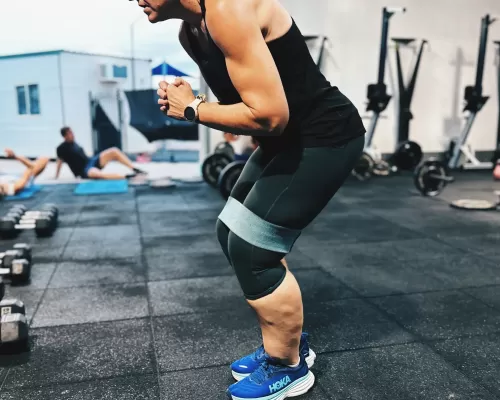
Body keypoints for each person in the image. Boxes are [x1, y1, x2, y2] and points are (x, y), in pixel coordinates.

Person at [137, 0, 366, 398]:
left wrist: (193, 108)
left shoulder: (228, 10)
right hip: (287, 141)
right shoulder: (191, 33)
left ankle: (288, 366)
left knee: (253, 248)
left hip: (326, 137)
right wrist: (193, 101)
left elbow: (269, 115)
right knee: (230, 231)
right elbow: (244, 100)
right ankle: (288, 343)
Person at [55, 127, 147, 180]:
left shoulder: (74, 143)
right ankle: (127, 176)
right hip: (84, 171)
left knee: (113, 151)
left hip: (91, 161)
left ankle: (134, 169)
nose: (73, 134)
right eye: (70, 133)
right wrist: (56, 176)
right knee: (98, 175)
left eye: (72, 132)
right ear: (65, 136)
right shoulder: (61, 148)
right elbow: (59, 161)